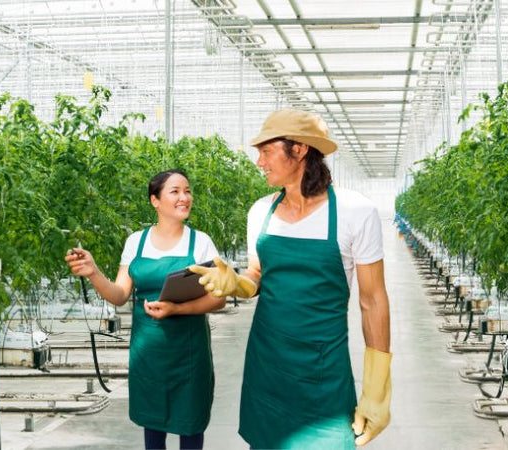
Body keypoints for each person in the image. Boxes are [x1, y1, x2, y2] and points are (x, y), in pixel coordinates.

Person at [190, 109, 392, 449]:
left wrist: (376, 388)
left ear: (298, 150)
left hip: (323, 368)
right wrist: (236, 283)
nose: (259, 162)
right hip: (267, 362)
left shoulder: (355, 211)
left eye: (267, 151)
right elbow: (257, 276)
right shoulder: (260, 211)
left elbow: (372, 300)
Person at [66, 169, 223, 450]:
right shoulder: (136, 242)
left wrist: (177, 309)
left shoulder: (200, 242)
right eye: (175, 191)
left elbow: (219, 299)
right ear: (155, 200)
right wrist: (93, 272)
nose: (184, 197)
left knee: (190, 424)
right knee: (152, 426)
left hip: (188, 352)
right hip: (148, 352)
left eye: (187, 191)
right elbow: (119, 294)